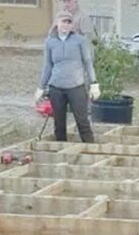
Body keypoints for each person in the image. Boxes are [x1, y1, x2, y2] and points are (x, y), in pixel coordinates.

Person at [35, 11, 99, 143]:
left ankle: (90, 147)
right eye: (63, 22)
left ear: (72, 26)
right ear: (57, 23)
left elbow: (87, 62)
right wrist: (41, 87)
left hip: (76, 86)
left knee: (82, 121)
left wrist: (94, 83)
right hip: (56, 87)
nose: (65, 25)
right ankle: (61, 150)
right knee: (59, 123)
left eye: (69, 23)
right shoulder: (50, 42)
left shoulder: (79, 40)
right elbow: (48, 65)